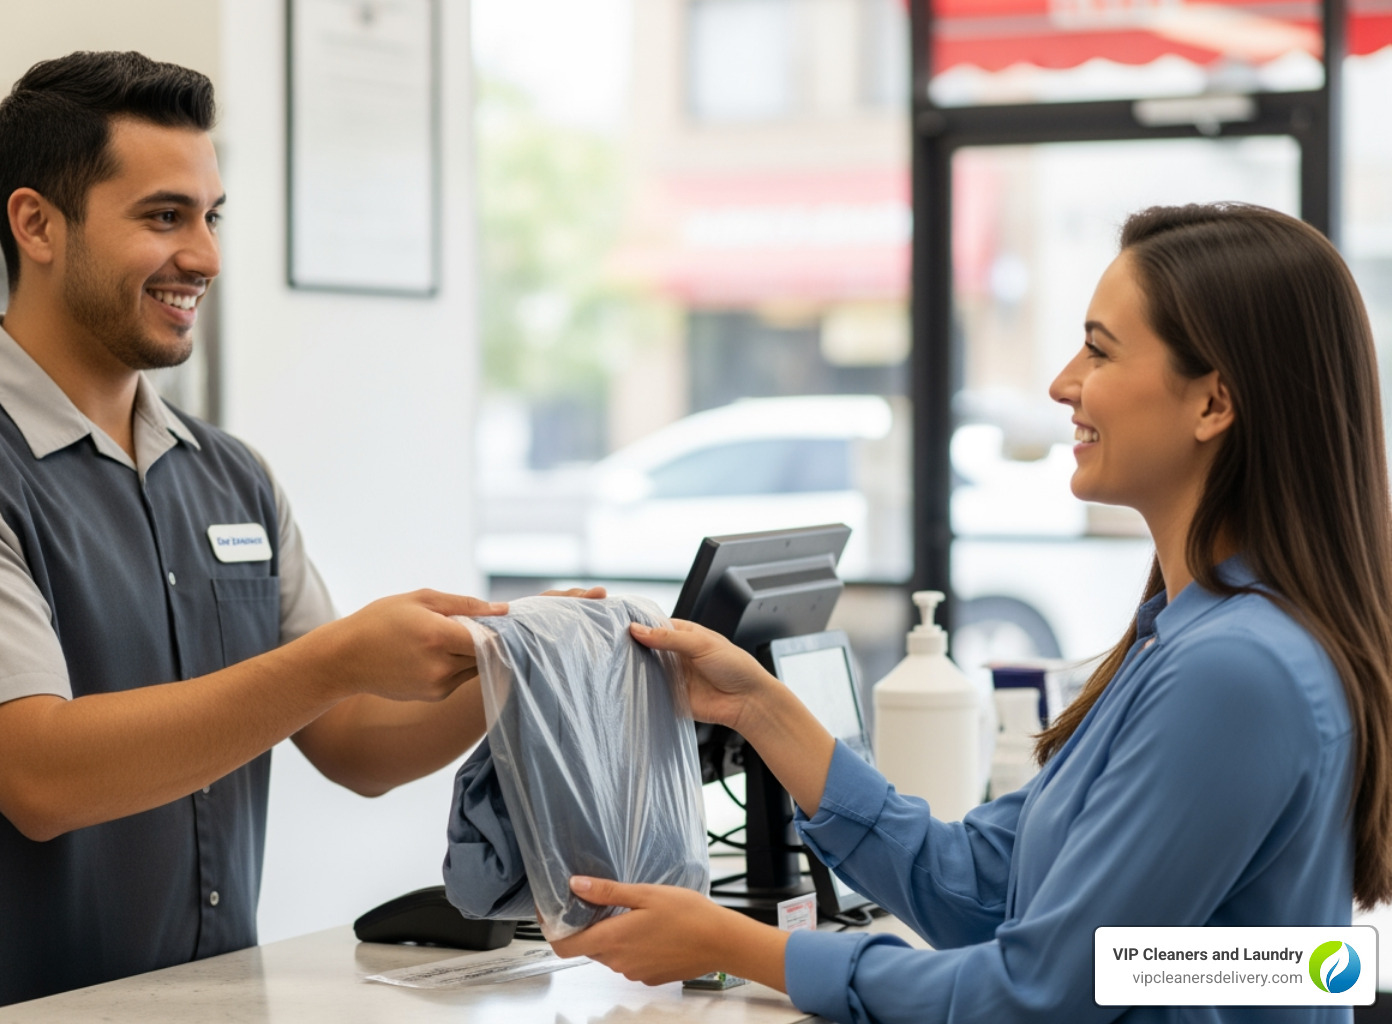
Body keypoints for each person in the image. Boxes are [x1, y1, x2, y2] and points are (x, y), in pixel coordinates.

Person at [0, 51, 587, 1024]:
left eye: (211, 216)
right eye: (164, 217)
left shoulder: (230, 476)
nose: (203, 254)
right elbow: (42, 772)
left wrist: (525, 661)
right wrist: (333, 659)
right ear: (35, 223)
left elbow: (355, 742)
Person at [552, 202, 1392, 1023]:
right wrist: (759, 708)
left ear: (1213, 404)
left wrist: (739, 946)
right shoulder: (1186, 641)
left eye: (1098, 351)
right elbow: (987, 886)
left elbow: (1042, 994)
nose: (1064, 383)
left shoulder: (1235, 672)